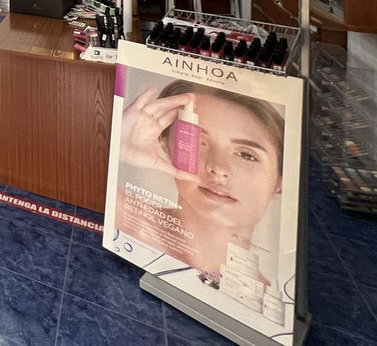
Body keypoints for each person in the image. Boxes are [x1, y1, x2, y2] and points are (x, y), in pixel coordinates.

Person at [117, 80, 284, 283]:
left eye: (247, 155)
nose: (218, 168)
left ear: (280, 182)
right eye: (197, 141)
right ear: (166, 145)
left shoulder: (274, 295)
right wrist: (116, 145)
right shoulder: (119, 218)